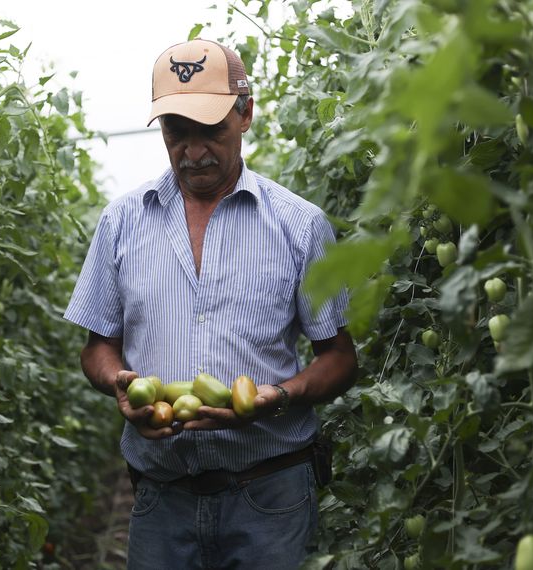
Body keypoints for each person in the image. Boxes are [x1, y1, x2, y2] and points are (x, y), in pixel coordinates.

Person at [64, 38, 358, 569]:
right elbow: (98, 346)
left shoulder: (299, 225)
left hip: (270, 494)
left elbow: (338, 357)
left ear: (245, 115)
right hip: (161, 498)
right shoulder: (121, 223)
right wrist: (117, 383)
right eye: (177, 132)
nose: (194, 151)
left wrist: (278, 397)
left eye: (211, 131)